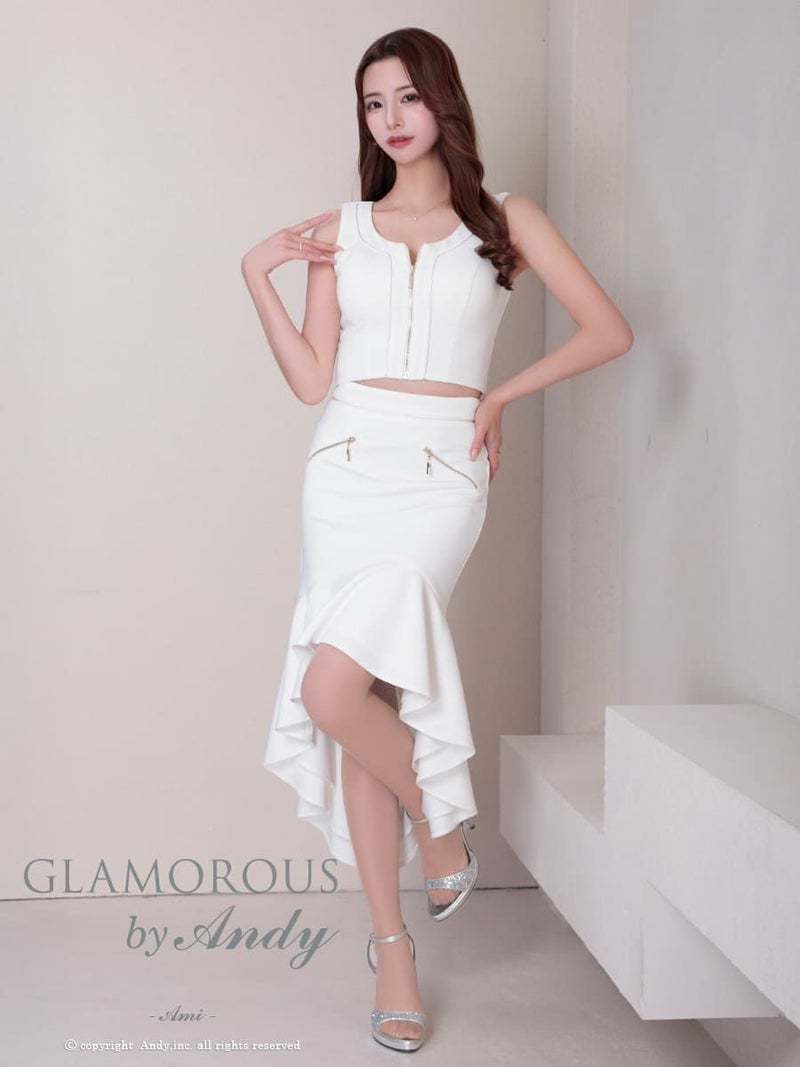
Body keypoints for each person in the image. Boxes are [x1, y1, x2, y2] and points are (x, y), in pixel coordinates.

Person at [240, 26, 633, 1053]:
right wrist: (256, 274)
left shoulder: (505, 220)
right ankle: (394, 944)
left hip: (441, 473)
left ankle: (435, 819)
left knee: (337, 689)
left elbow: (608, 329)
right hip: (343, 466)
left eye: (407, 96)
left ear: (442, 99)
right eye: (374, 103)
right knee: (352, 694)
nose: (392, 118)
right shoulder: (341, 229)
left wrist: (497, 394)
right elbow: (310, 379)